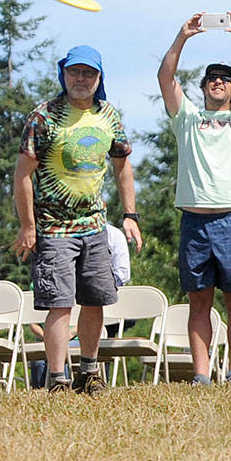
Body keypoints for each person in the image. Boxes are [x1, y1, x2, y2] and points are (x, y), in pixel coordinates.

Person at [13, 44, 141, 392]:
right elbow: (23, 173)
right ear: (63, 74)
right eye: (74, 72)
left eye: (88, 73)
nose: (81, 79)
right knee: (59, 303)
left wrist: (129, 214)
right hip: (53, 228)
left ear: (99, 78)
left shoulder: (109, 116)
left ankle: (88, 372)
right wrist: (28, 226)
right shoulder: (45, 117)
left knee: (95, 300)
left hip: (95, 226)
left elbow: (122, 166)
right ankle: (57, 378)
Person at [158, 12, 231, 383]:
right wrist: (182, 36)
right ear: (203, 88)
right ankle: (201, 375)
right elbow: (165, 78)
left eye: (225, 80)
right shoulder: (185, 117)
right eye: (211, 79)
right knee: (199, 301)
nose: (218, 83)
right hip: (194, 220)